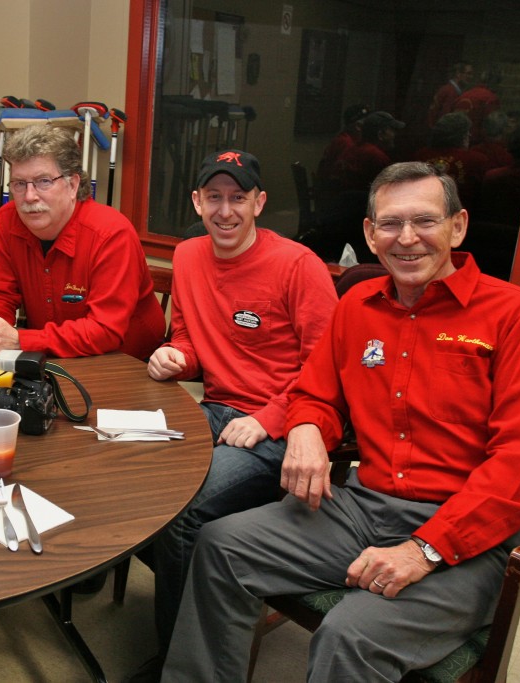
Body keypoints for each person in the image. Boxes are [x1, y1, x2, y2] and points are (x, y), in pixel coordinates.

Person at [162, 162, 520, 682]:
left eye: (425, 221)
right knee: (220, 546)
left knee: (351, 635)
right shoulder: (358, 308)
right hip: (365, 506)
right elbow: (314, 394)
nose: (407, 239)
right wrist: (304, 431)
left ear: (457, 227)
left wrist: (425, 549)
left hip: (474, 537)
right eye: (390, 224)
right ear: (370, 234)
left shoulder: (517, 315)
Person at [126, 150, 337, 682]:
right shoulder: (191, 257)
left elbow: (328, 368)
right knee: (125, 467)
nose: (226, 211)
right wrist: (175, 358)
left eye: (238, 198)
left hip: (281, 430)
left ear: (259, 203)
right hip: (214, 410)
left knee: (185, 508)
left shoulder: (297, 265)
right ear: (197, 202)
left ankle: (175, 661)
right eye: (214, 197)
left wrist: (270, 418)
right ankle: (196, 594)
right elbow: (190, 339)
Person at [0, 125, 165, 361]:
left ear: (72, 185)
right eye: (19, 183)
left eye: (43, 181)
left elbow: (105, 331)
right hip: (52, 356)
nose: (29, 196)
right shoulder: (8, 220)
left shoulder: (111, 233)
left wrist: (20, 339)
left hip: (125, 362)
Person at [336, 110, 405, 193]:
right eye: (392, 130)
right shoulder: (376, 157)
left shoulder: (352, 150)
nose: (395, 134)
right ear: (380, 134)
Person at [427, 61, 473, 127]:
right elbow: (446, 119)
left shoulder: (449, 89)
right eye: (468, 73)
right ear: (458, 74)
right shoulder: (450, 92)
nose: (471, 77)